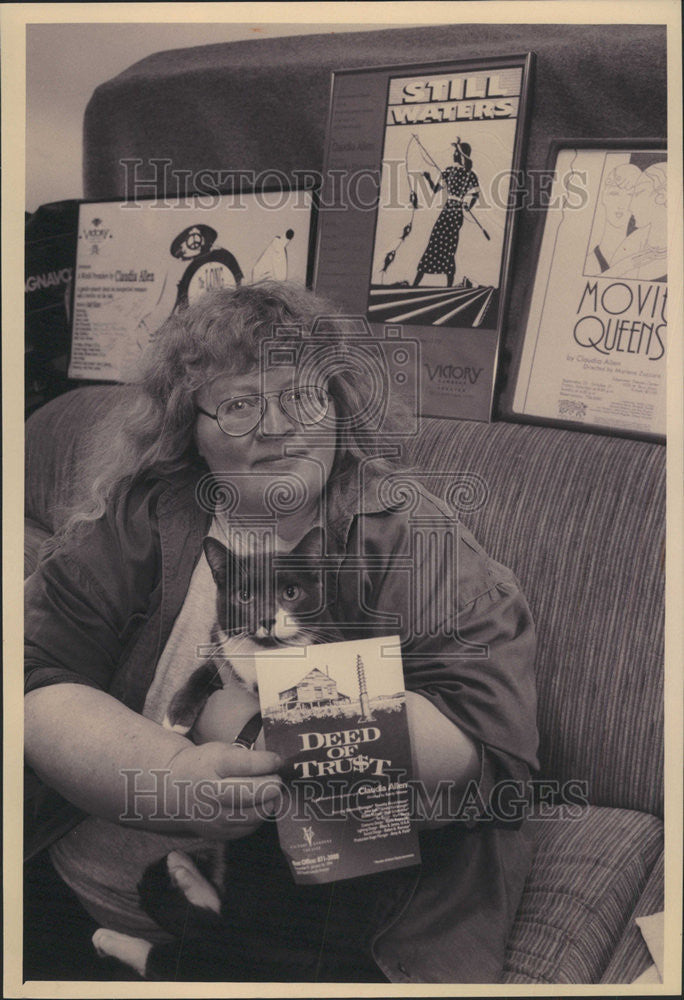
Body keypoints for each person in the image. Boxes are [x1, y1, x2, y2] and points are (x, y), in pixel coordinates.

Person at [24, 281, 538, 983]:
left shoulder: (406, 538)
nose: (275, 425)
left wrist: (258, 729)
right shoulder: (147, 514)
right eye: (238, 404)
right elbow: (33, 675)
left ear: (337, 412)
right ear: (189, 431)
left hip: (323, 936)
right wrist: (172, 777)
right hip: (73, 889)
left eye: (301, 396)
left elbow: (485, 753)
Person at [413, 139, 479, 288]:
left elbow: (476, 194)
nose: (454, 154)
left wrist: (469, 204)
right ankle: (416, 283)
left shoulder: (469, 175)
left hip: (454, 212)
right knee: (435, 241)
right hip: (449, 210)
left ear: (462, 155)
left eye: (456, 152)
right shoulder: (449, 171)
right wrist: (429, 178)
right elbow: (436, 190)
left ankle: (448, 286)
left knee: (449, 246)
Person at [600, 162, 667, 281]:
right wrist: (624, 266)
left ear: (661, 197)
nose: (630, 207)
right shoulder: (632, 244)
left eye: (637, 194)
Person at [583, 162, 641, 276]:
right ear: (604, 197)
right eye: (614, 193)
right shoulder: (588, 265)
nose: (621, 204)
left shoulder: (643, 262)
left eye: (630, 195)